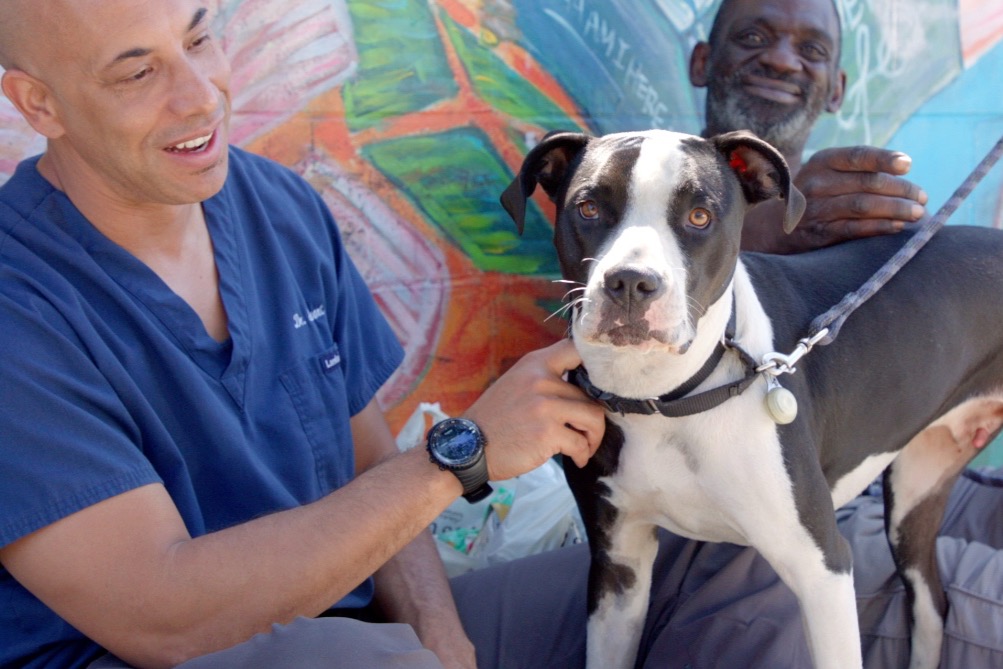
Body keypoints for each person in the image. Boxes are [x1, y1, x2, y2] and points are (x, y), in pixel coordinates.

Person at [0, 1, 612, 667]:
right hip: (165, 655)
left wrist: (444, 643)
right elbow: (164, 619)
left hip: (356, 632)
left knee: (694, 565)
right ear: (40, 105)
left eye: (198, 39)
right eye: (136, 74)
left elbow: (374, 473)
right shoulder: (20, 304)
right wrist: (461, 455)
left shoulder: (277, 206)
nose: (201, 97)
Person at [690, 0, 930, 254]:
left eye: (812, 49)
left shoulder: (853, 223)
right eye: (753, 37)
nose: (781, 61)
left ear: (836, 91)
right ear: (702, 63)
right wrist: (770, 228)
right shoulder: (645, 175)